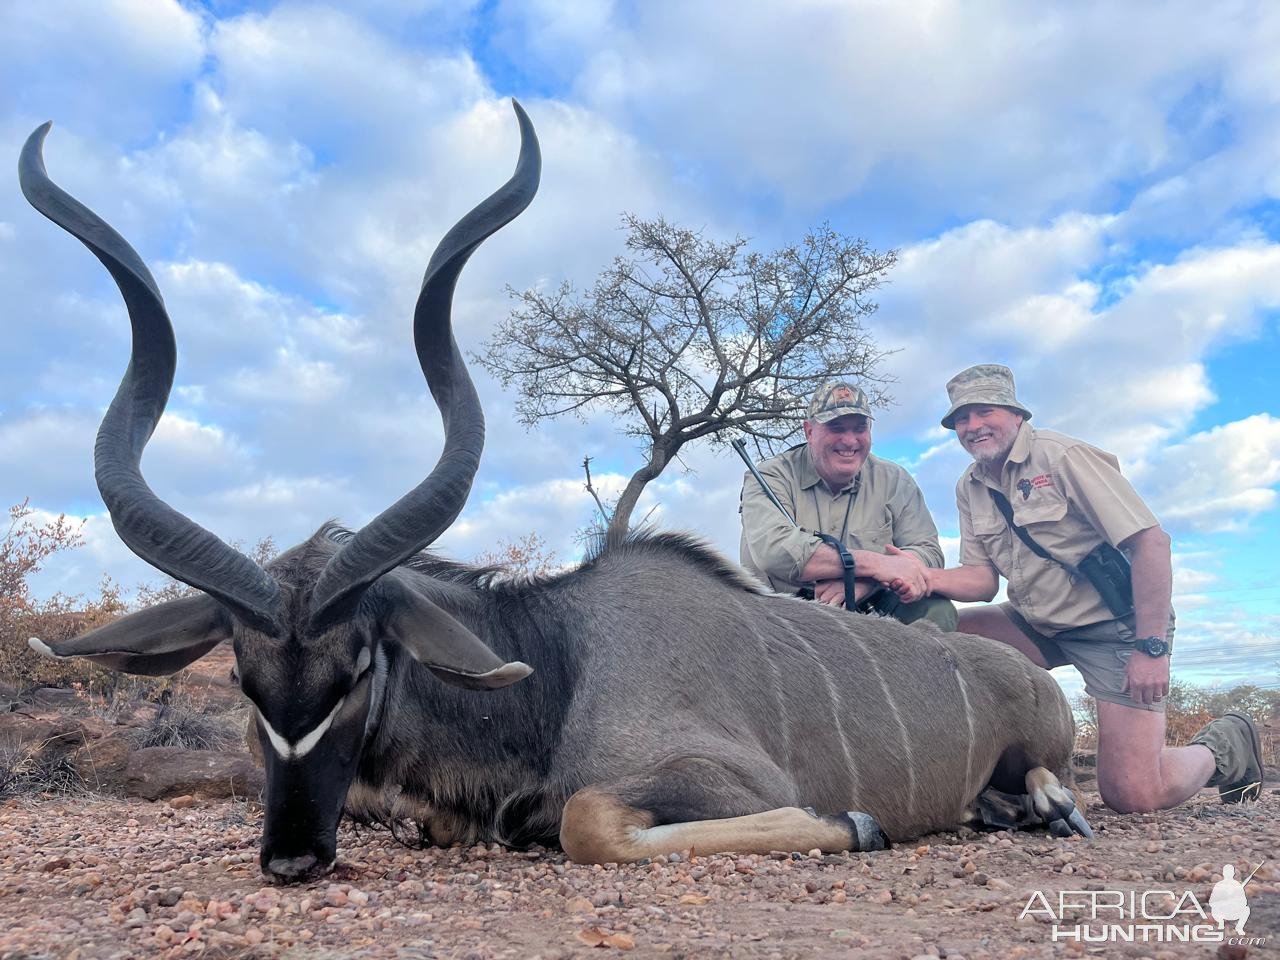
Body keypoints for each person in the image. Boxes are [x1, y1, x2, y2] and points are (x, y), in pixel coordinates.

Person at [894, 363, 1263, 813]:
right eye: (961, 420)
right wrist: (922, 576)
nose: (972, 427)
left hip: (1116, 630)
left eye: (982, 412)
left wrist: (1150, 648)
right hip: (1037, 621)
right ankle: (986, 771)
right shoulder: (970, 485)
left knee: (1134, 794)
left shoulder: (1063, 457)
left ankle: (1227, 743)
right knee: (937, 638)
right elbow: (983, 579)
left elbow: (1150, 543)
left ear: (1015, 414)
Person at [739, 380, 958, 631]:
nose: (850, 440)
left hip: (864, 606)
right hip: (780, 614)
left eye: (859, 428)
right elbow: (774, 552)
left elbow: (928, 553)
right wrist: (878, 565)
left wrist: (865, 581)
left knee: (936, 609)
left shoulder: (894, 479)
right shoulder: (770, 476)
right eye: (836, 427)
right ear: (809, 431)